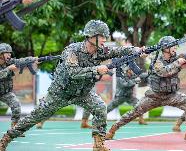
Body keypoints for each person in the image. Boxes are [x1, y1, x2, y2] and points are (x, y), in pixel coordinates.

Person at [0, 20, 145, 151]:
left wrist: (137, 50)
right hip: (60, 92)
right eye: (102, 36)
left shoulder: (101, 50)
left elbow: (118, 51)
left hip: (82, 92)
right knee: (34, 118)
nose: (104, 40)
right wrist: (96, 69)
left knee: (100, 107)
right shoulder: (72, 50)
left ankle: (98, 144)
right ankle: (6, 139)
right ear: (91, 36)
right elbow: (73, 72)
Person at [105, 36, 186, 141]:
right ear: (166, 48)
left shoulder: (176, 57)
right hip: (154, 96)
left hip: (171, 95)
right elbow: (164, 72)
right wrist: (179, 62)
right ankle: (112, 130)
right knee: (134, 112)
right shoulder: (157, 61)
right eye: (173, 46)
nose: (175, 48)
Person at [0, 43, 36, 132]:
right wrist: (8, 69)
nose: (9, 55)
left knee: (16, 106)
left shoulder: (9, 62)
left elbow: (21, 61)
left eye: (10, 53)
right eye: (7, 53)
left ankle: (15, 128)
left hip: (4, 92)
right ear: (1, 54)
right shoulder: (8, 66)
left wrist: (34, 59)